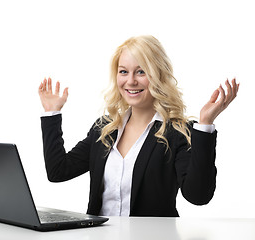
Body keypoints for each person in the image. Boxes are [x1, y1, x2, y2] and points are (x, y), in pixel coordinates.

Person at [38, 35, 239, 217]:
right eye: (123, 72)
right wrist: (51, 113)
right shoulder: (104, 129)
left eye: (141, 72)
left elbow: (198, 196)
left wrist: (205, 125)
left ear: (158, 75)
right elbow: (58, 171)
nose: (131, 81)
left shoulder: (178, 132)